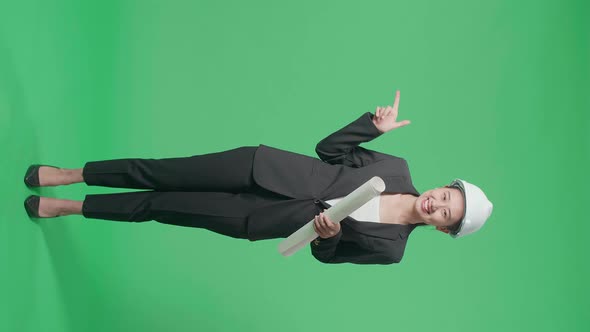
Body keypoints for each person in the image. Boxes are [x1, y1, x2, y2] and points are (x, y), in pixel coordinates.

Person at [23, 90, 493, 265]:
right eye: (447, 195)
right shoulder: (396, 170)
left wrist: (326, 237)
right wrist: (370, 126)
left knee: (160, 205)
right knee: (162, 172)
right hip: (261, 166)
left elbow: (330, 257)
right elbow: (330, 151)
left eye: (447, 214)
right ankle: (71, 175)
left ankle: (71, 207)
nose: (438, 204)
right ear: (443, 186)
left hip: (260, 218)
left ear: (444, 229)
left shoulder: (391, 249)